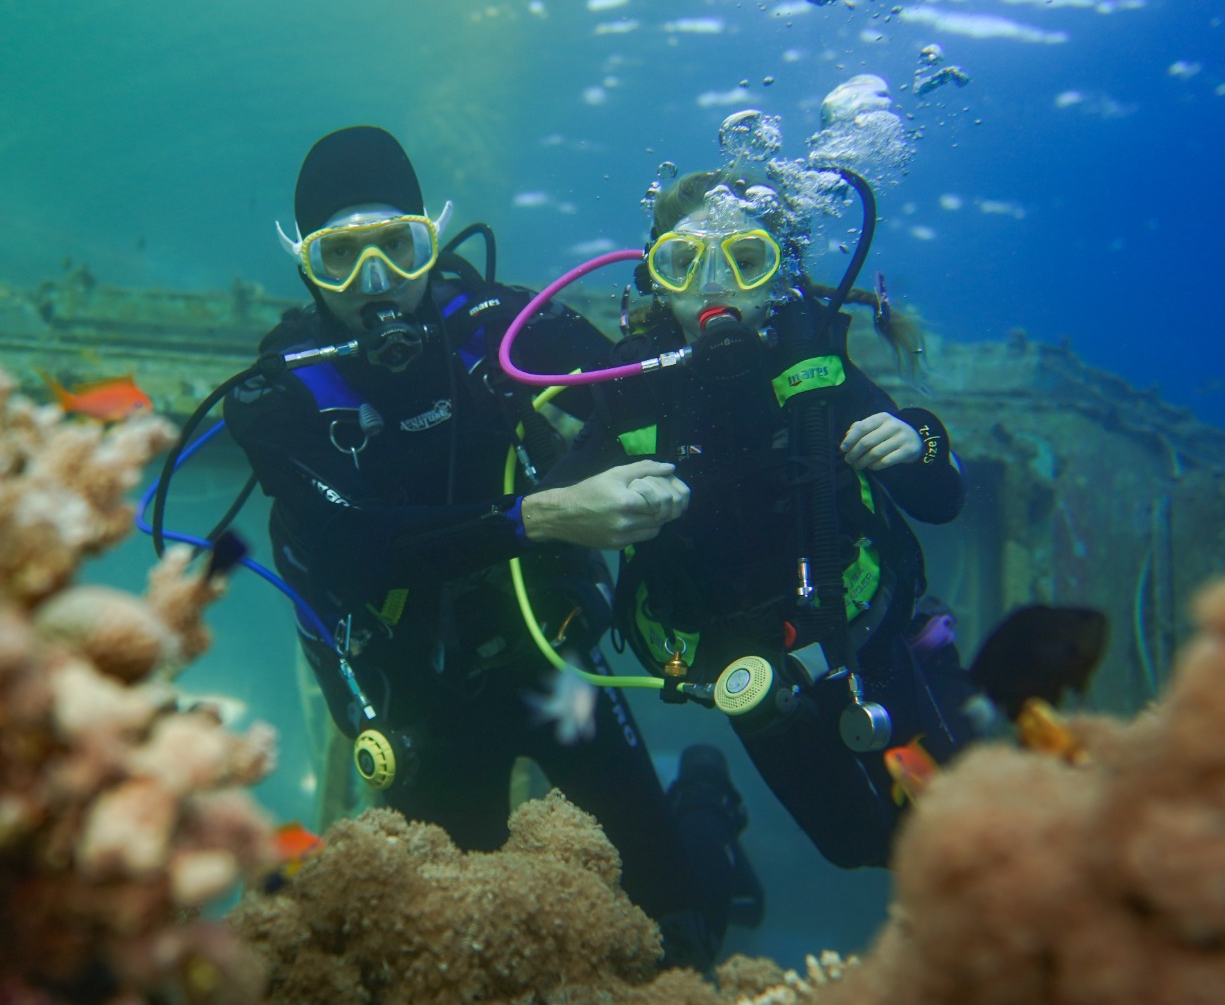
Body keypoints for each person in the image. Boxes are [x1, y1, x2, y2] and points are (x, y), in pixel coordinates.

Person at [223, 126, 761, 966]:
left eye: (398, 249)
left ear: (430, 240)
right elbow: (353, 548)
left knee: (678, 926)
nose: (377, 285)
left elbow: (633, 385)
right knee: (452, 941)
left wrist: (729, 313)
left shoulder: (497, 324)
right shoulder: (275, 393)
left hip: (551, 656)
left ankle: (703, 805)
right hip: (414, 693)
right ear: (305, 266)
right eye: (341, 258)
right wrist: (545, 515)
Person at [551, 161, 981, 870]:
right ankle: (706, 800)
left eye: (745, 261)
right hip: (739, 667)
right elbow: (553, 503)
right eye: (685, 263)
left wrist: (918, 439)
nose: (716, 285)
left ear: (778, 275)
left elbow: (942, 499)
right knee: (854, 847)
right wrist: (576, 507)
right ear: (656, 277)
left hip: (861, 628)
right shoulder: (630, 389)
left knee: (946, 825)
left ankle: (933, 649)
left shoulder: (811, 361)